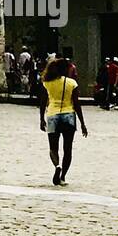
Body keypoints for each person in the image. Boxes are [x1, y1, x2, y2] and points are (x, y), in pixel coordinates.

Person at [38, 54, 88, 185]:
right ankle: (63, 177)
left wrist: (41, 119)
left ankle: (57, 166)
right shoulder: (72, 83)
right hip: (69, 115)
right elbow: (77, 104)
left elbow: (43, 102)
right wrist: (82, 123)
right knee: (68, 149)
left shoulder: (47, 83)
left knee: (53, 148)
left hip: (52, 115)